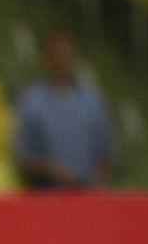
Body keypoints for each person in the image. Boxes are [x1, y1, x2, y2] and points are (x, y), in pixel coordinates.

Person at [14, 29, 113, 189]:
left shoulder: (93, 101)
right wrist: (50, 170)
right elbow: (24, 159)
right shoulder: (32, 101)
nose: (62, 60)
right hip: (47, 197)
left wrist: (98, 187)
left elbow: (104, 154)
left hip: (88, 196)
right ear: (46, 59)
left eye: (67, 54)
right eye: (57, 55)